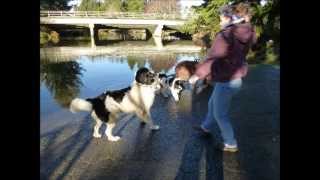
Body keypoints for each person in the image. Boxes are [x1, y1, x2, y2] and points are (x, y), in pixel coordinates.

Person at [189, 3, 257, 152]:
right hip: (233, 78)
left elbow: (213, 58)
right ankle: (205, 127)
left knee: (220, 114)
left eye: (221, 18)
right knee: (213, 104)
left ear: (229, 18)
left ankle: (231, 143)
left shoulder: (226, 34)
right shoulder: (246, 31)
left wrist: (197, 75)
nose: (220, 22)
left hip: (227, 79)